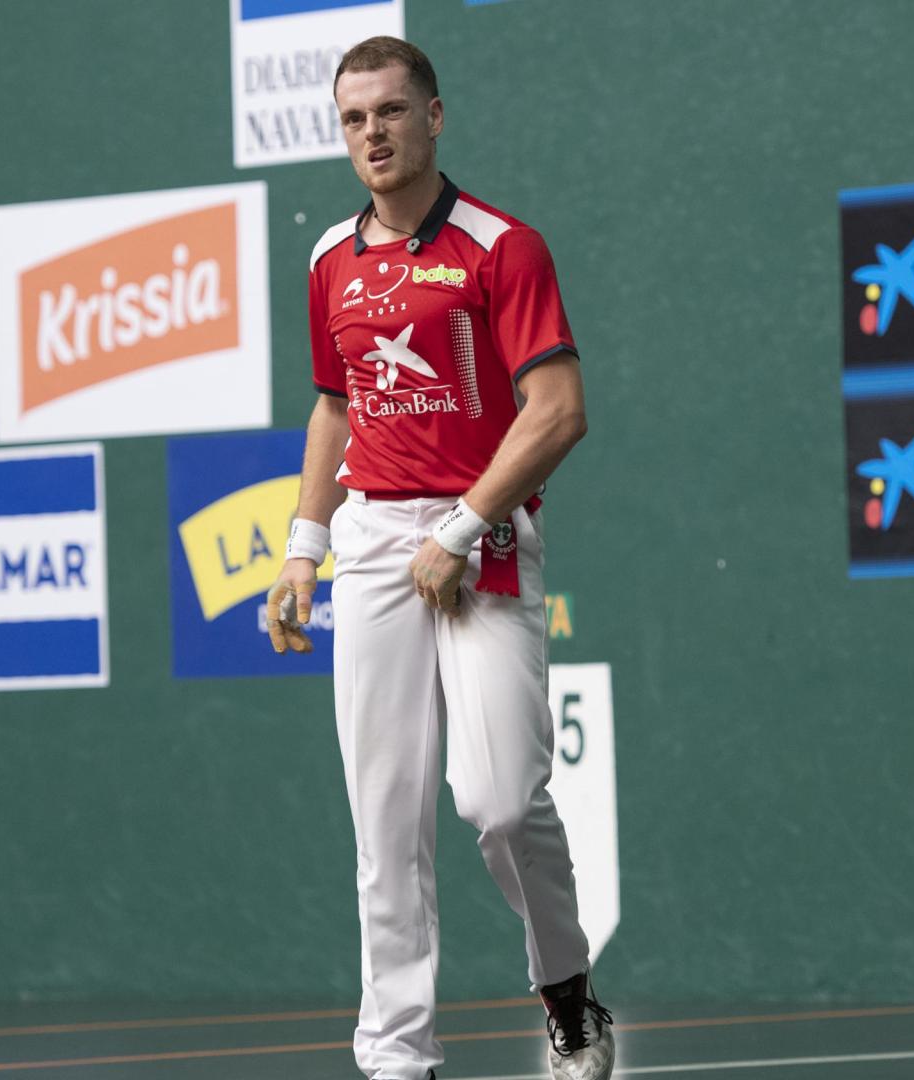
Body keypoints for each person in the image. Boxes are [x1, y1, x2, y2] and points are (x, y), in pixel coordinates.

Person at [264, 35, 614, 1080]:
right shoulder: (332, 258)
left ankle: (567, 994)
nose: (371, 133)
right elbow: (336, 408)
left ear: (434, 116)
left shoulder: (503, 248)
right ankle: (396, 1056)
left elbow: (558, 413)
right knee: (384, 821)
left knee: (499, 802)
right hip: (371, 545)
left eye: (389, 112)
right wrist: (303, 546)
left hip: (486, 539)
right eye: (352, 118)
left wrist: (461, 528)